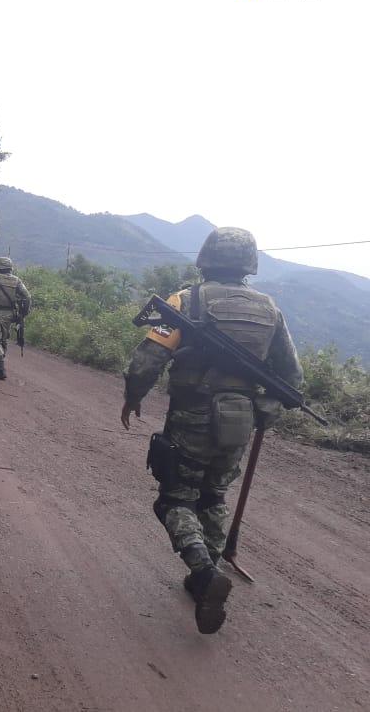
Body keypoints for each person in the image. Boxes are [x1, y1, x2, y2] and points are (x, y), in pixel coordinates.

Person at [121, 227, 302, 634]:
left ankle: (204, 572)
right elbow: (292, 378)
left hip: (192, 417)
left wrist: (133, 396)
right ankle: (207, 572)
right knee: (213, 496)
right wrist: (267, 409)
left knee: (174, 499)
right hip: (240, 421)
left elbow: (148, 360)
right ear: (249, 264)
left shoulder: (186, 300)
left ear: (205, 258)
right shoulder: (271, 310)